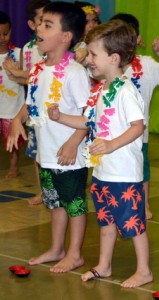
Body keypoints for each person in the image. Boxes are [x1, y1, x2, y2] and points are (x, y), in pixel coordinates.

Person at [47, 19, 153, 288]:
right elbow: (88, 122)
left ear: (114, 58)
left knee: (133, 223)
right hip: (103, 172)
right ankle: (104, 265)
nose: (88, 59)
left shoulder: (126, 92)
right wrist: (61, 118)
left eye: (94, 54)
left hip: (125, 173)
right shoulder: (99, 92)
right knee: (106, 222)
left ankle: (144, 270)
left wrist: (111, 144)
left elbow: (137, 126)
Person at [6, 1, 90, 273]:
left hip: (69, 156)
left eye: (48, 25)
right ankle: (56, 248)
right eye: (40, 23)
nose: (39, 28)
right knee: (54, 201)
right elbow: (31, 103)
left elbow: (89, 116)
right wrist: (18, 121)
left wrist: (73, 142)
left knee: (74, 204)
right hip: (46, 152)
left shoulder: (75, 73)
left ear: (66, 37)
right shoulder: (39, 70)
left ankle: (75, 253)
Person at [111, 13, 159, 220]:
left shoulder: (146, 63)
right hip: (112, 131)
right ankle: (116, 202)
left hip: (139, 133)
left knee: (141, 169)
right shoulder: (108, 64)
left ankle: (143, 204)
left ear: (137, 39)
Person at [3, 0, 50, 205]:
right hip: (33, 109)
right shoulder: (30, 48)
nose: (45, 26)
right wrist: (17, 77)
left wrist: (19, 73)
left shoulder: (52, 47)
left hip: (52, 110)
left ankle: (55, 191)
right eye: (43, 21)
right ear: (32, 25)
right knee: (37, 154)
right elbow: (29, 80)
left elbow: (43, 75)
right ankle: (43, 192)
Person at [0, 11, 25, 179]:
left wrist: (16, 72)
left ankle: (14, 166)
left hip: (12, 106)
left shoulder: (18, 53)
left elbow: (25, 77)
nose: (2, 38)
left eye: (5, 33)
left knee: (12, 140)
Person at [74, 1, 101, 65]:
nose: (91, 25)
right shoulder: (67, 48)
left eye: (95, 20)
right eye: (86, 22)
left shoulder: (103, 44)